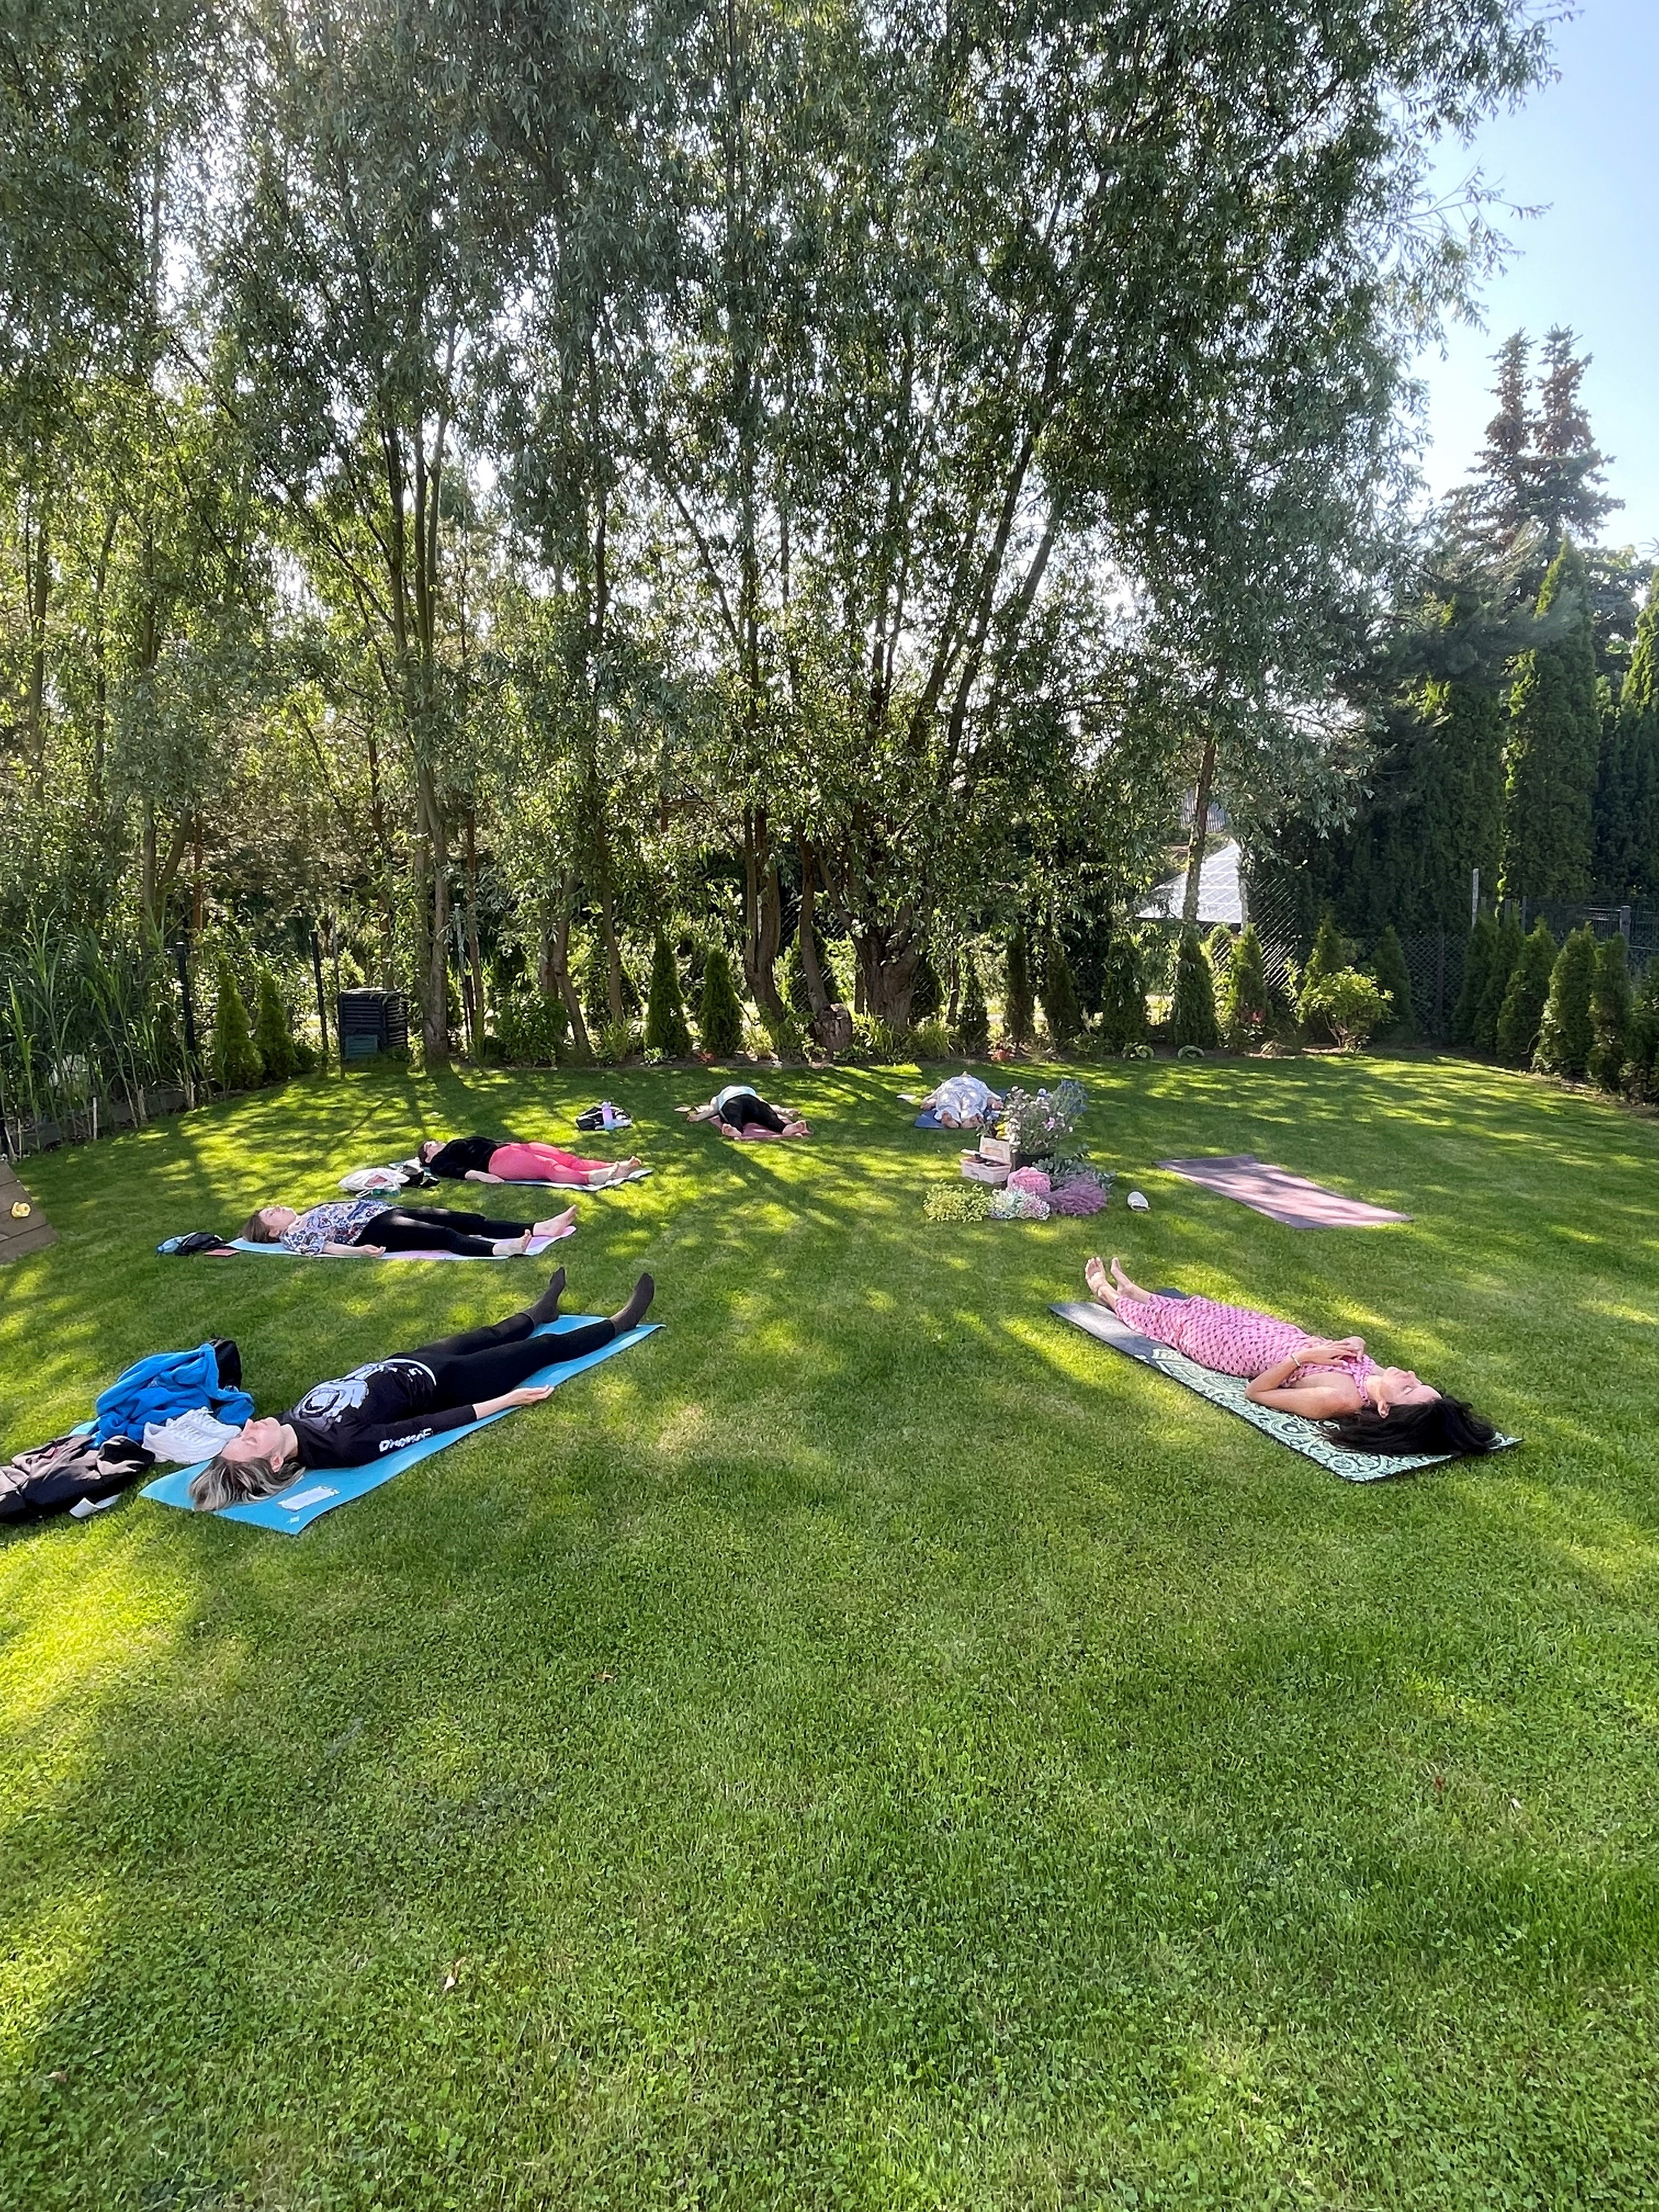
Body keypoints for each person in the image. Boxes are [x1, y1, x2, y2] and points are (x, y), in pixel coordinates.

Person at [189, 1266, 655, 1509]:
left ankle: (541, 1311)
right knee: (543, 1350)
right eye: (249, 1439)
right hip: (453, 1385)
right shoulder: (344, 1445)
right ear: (275, 1462)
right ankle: (619, 1324)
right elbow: (428, 1426)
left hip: (412, 1361)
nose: (250, 1426)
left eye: (242, 1433)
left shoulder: (286, 1425)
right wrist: (505, 1401)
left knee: (493, 1332)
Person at [1082, 1256, 1498, 1458]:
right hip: (1274, 1333)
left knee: (1174, 1324)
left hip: (1238, 1351)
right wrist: (1353, 1341)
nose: (1409, 1374)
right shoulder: (1373, 1378)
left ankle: (1110, 1296)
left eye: (1408, 1388)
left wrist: (1303, 1357)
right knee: (1204, 1306)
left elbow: (1257, 1392)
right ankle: (1140, 1293)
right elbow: (1344, 1353)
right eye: (1416, 1379)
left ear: (1386, 1409)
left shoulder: (1341, 1399)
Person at [243, 1194, 577, 1259]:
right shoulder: (294, 1235)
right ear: (272, 1232)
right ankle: (503, 1248)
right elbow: (325, 1247)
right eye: (272, 1214)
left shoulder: (303, 1217)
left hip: (386, 1212)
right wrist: (359, 1252)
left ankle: (542, 1227)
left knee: (464, 1219)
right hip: (374, 1229)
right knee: (444, 1236)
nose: (278, 1207)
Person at [416, 1135, 643, 1188]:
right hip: (496, 1162)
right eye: (430, 1144)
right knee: (548, 1167)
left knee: (568, 1159)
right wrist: (483, 1176)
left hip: (510, 1149)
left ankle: (616, 1167)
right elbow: (456, 1171)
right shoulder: (438, 1162)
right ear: (427, 1156)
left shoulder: (452, 1145)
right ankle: (591, 1178)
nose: (436, 1142)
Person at [678, 1086, 809, 1140]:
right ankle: (785, 1128)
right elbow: (767, 1106)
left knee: (733, 1115)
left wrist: (698, 1117)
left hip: (732, 1102)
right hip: (751, 1101)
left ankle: (735, 1130)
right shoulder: (750, 1091)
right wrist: (786, 1111)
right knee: (766, 1116)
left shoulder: (719, 1097)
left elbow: (712, 1110)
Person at [918, 1073, 1003, 1128]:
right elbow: (986, 1095)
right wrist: (994, 1103)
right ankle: (971, 1118)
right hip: (966, 1091)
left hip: (959, 1091)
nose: (965, 1073)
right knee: (970, 1104)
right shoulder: (953, 1081)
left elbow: (939, 1095)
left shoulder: (974, 1082)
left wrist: (931, 1102)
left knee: (950, 1102)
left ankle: (950, 1116)